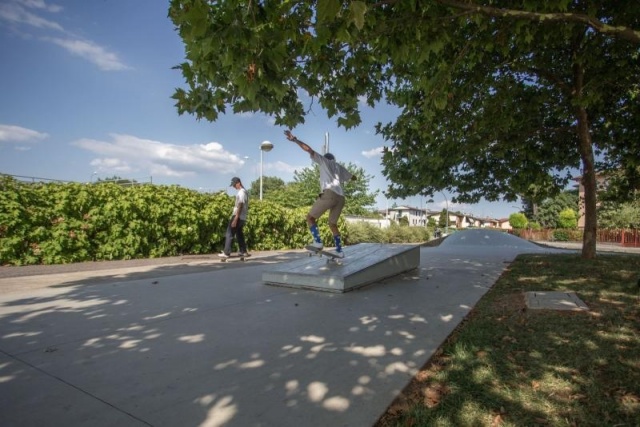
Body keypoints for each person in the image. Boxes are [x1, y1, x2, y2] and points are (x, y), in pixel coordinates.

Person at [284, 130, 356, 258]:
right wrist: (353, 177)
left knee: (310, 218)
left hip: (330, 194)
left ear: (326, 159)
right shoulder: (339, 167)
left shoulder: (324, 161)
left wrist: (295, 140)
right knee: (332, 224)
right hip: (341, 198)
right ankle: (339, 250)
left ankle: (317, 242)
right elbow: (352, 177)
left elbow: (309, 150)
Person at [219, 176, 249, 259]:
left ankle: (226, 253)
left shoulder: (241, 192)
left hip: (238, 216)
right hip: (242, 217)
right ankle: (243, 251)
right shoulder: (244, 192)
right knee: (239, 234)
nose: (233, 186)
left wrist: (236, 218)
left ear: (238, 183)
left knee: (229, 233)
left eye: (234, 184)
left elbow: (240, 205)